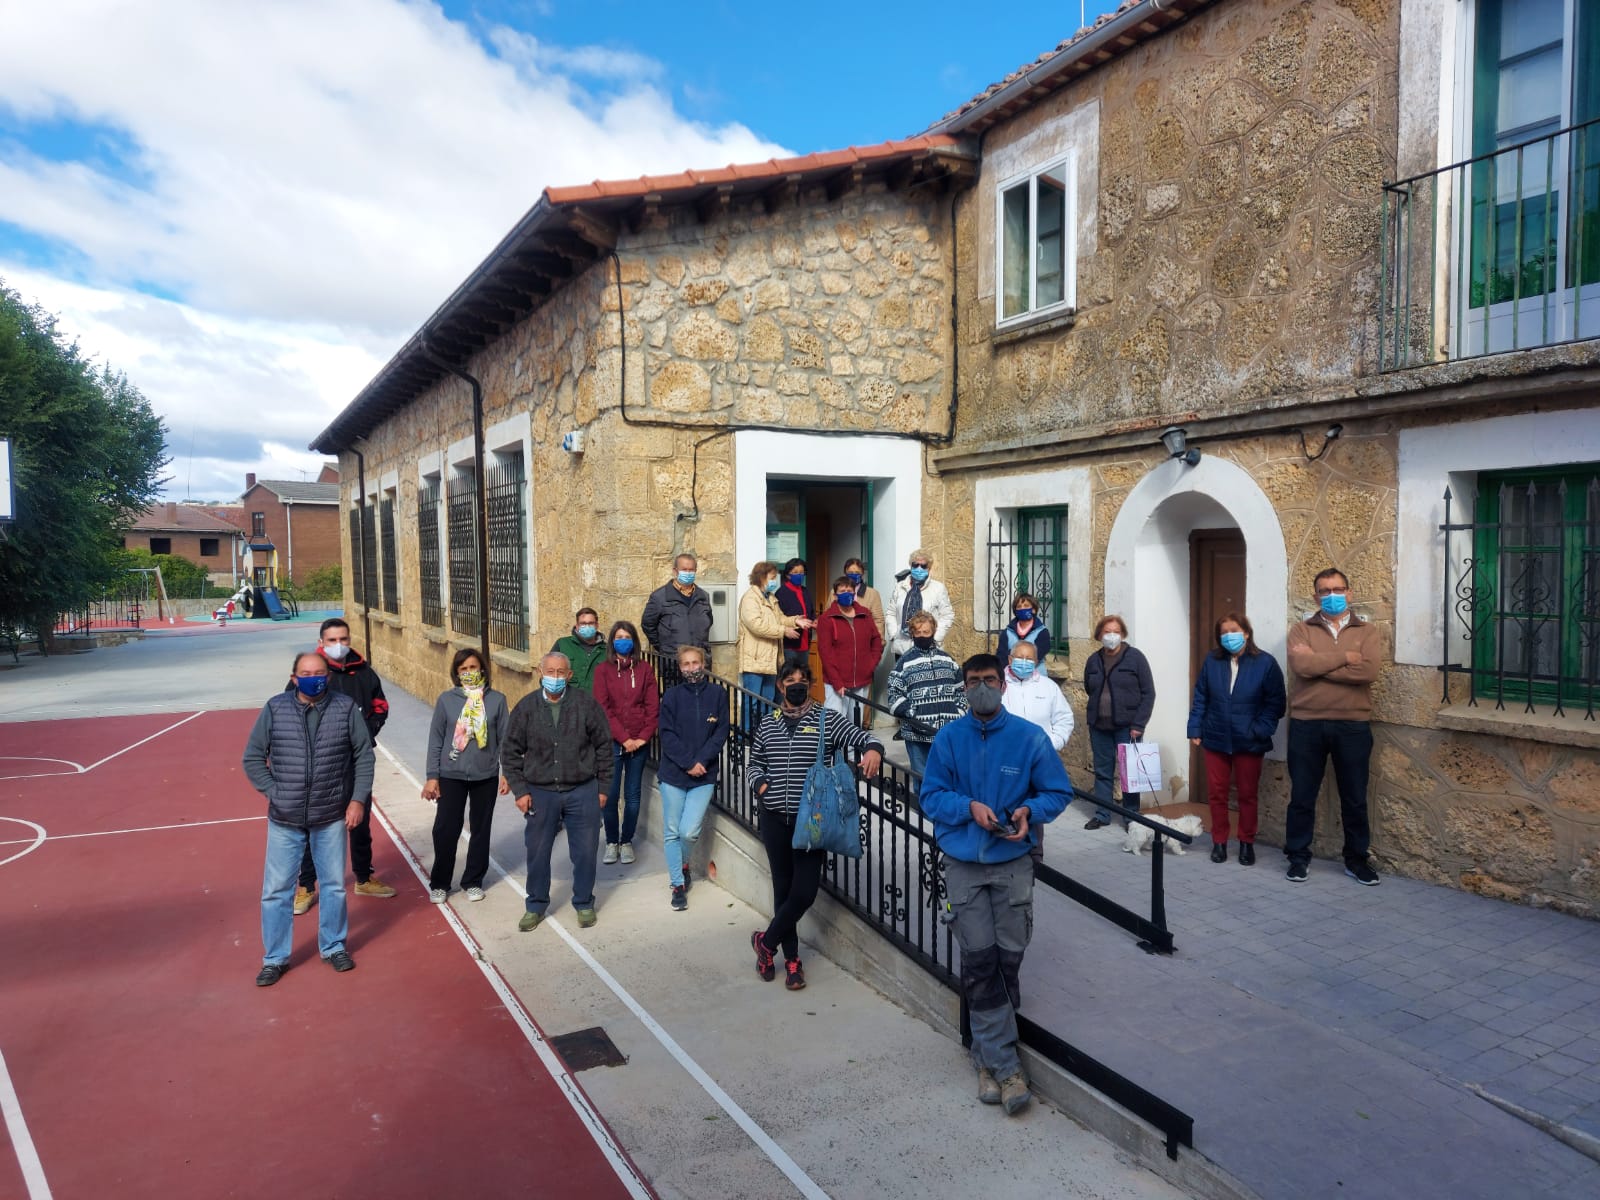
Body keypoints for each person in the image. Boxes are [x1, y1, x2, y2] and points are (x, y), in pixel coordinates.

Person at [920, 654, 1073, 1115]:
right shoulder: (948, 740)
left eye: (989, 680)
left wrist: (1031, 811)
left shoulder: (1030, 739)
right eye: (973, 681)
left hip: (1012, 866)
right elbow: (930, 795)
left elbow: (1057, 792)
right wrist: (968, 807)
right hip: (965, 866)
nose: (982, 687)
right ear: (963, 689)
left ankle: (985, 1058)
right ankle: (1006, 1068)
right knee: (980, 962)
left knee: (1008, 962)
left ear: (1003, 685)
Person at [747, 661, 884, 990]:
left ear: (809, 685)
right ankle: (792, 961)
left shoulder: (827, 719)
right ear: (780, 686)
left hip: (812, 822)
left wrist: (874, 750)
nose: (796, 686)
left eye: (802, 681)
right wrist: (761, 785)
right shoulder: (768, 724)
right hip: (774, 817)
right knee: (783, 888)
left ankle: (765, 944)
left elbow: (860, 736)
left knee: (804, 892)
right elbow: (754, 763)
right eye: (789, 681)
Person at [243, 651, 375, 986]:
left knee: (333, 886)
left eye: (318, 672)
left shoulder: (345, 708)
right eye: (305, 672)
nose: (313, 677)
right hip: (285, 818)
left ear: (328, 676)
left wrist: (357, 800)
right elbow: (253, 757)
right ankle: (275, 958)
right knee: (276, 890)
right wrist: (274, 792)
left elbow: (363, 756)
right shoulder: (275, 708)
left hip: (330, 814)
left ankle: (333, 946)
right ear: (293, 677)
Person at [501, 651, 615, 930]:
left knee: (586, 851)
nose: (555, 677)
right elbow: (510, 751)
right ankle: (536, 904)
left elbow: (604, 747)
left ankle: (584, 903)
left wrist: (603, 788)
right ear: (540, 673)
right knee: (537, 852)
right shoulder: (526, 708)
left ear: (569, 675)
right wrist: (519, 791)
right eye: (550, 672)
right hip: (540, 793)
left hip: (582, 790)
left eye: (560, 672)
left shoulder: (586, 705)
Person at [1284, 569, 1383, 885]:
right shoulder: (1300, 630)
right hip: (1306, 725)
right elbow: (1301, 666)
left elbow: (1368, 672)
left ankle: (1357, 860)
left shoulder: (1367, 632)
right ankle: (1298, 858)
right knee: (1302, 795)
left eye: (1338, 589)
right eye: (1324, 590)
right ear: (1315, 597)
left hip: (1352, 725)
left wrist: (1320, 665)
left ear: (1349, 593)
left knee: (1354, 797)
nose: (1331, 595)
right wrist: (1344, 658)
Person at [294, 618, 394, 915]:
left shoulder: (364, 672)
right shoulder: (311, 672)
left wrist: (367, 732)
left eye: (343, 639)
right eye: (332, 640)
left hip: (355, 762)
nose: (339, 645)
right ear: (321, 641)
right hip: (320, 764)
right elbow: (292, 708)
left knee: (360, 821)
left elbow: (381, 706)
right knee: (313, 824)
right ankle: (307, 885)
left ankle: (363, 877)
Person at [1187, 613, 1285, 867]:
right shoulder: (1212, 660)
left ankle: (1246, 843)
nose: (1229, 635)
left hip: (1249, 741)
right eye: (1224, 632)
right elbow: (1201, 696)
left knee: (1247, 795)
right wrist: (1195, 727)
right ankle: (1219, 841)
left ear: (1246, 633)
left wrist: (1260, 730)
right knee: (1217, 793)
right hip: (1215, 737)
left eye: (1234, 630)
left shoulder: (1265, 663)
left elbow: (1276, 703)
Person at [422, 649, 511, 902]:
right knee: (446, 829)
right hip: (451, 773)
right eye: (463, 669)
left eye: (473, 667)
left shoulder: (497, 700)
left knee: (481, 829)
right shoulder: (446, 700)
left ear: (482, 669)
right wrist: (432, 776)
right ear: (456, 673)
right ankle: (440, 882)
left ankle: (473, 880)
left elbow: (505, 739)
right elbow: (436, 740)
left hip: (486, 774)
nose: (469, 673)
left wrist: (508, 772)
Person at [657, 645, 730, 911]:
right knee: (672, 831)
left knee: (689, 831)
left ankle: (683, 861)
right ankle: (677, 884)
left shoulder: (718, 694)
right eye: (686, 664)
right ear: (680, 667)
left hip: (704, 774)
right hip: (674, 774)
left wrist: (701, 762)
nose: (691, 668)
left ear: (704, 663)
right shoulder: (672, 696)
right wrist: (689, 762)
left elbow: (721, 731)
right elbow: (666, 734)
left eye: (695, 663)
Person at [1000, 641, 1074, 865]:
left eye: (1029, 659)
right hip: (1006, 760)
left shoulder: (1048, 687)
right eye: (1019, 658)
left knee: (1035, 806)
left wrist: (1051, 744)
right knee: (1007, 802)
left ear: (1036, 662)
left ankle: (1034, 853)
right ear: (1010, 659)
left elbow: (1064, 719)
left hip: (1040, 760)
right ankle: (1004, 847)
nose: (1024, 663)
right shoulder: (1000, 686)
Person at [592, 620, 658, 866]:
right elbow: (603, 708)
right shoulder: (603, 671)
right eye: (619, 636)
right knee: (608, 796)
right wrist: (624, 738)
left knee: (632, 795)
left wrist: (642, 737)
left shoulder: (645, 670)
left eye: (627, 636)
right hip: (612, 742)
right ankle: (611, 841)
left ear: (634, 641)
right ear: (612, 641)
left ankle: (626, 840)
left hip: (639, 743)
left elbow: (652, 706)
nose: (623, 640)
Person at [1082, 614, 1155, 831]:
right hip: (1099, 725)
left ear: (1122, 634)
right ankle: (1102, 813)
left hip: (1128, 727)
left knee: (1129, 773)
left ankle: (1131, 816)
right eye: (1107, 632)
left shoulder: (1136, 658)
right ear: (1099, 635)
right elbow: (1089, 687)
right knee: (1102, 771)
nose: (1111, 635)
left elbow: (1148, 693)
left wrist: (1139, 724)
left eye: (1115, 631)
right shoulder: (1093, 660)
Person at [885, 610, 966, 780]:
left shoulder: (947, 660)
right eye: (918, 632)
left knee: (949, 776)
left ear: (933, 632)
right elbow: (893, 695)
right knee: (922, 778)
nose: (922, 636)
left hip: (946, 733)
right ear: (912, 634)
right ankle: (924, 807)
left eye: (926, 632)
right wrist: (913, 715)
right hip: (917, 733)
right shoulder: (903, 663)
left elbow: (961, 690)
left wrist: (959, 713)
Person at [738, 560, 808, 729]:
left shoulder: (771, 598)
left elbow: (781, 618)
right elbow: (757, 625)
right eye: (772, 577)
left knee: (768, 702)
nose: (774, 581)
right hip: (755, 660)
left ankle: (765, 733)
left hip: (771, 660)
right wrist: (783, 631)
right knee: (752, 702)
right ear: (761, 577)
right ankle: (746, 735)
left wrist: (796, 620)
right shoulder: (750, 599)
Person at [817, 575, 884, 727]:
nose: (847, 593)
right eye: (842, 591)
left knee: (855, 724)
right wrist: (837, 682)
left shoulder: (865, 614)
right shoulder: (827, 618)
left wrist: (871, 664)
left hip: (861, 679)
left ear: (854, 593)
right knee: (835, 724)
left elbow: (876, 640)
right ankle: (834, 751)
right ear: (835, 595)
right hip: (837, 682)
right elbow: (825, 653)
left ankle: (854, 751)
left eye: (850, 590)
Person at [641, 553, 713, 670]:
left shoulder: (704, 597)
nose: (688, 573)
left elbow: (709, 622)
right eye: (684, 569)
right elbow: (648, 625)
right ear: (675, 571)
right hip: (673, 664)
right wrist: (665, 648)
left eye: (691, 570)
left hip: (700, 664)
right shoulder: (659, 597)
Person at [887, 549, 955, 658]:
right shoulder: (900, 587)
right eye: (915, 565)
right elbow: (891, 613)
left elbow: (947, 615)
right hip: (903, 647)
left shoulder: (938, 588)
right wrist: (893, 634)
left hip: (929, 646)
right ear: (911, 566)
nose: (919, 568)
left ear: (929, 568)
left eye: (923, 566)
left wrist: (936, 638)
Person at [551, 607, 608, 692]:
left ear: (596, 625)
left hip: (595, 703)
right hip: (568, 702)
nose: (587, 626)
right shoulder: (562, 644)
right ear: (577, 626)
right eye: (583, 623)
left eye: (591, 623)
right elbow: (548, 672)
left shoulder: (607, 650)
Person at [996, 592, 1053, 671]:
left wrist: (1012, 654)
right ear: (1015, 611)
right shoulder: (1007, 632)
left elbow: (1037, 655)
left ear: (1033, 609)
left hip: (1036, 676)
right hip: (1010, 676)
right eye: (1019, 607)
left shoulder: (1042, 632)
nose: (1022, 608)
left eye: (1026, 606)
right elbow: (1001, 657)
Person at [775, 557, 814, 671]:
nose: (799, 575)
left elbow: (810, 611)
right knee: (790, 677)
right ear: (788, 575)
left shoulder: (805, 591)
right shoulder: (781, 593)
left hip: (805, 643)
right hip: (790, 645)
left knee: (803, 677)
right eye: (795, 572)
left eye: (802, 572)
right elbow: (779, 617)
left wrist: (814, 621)